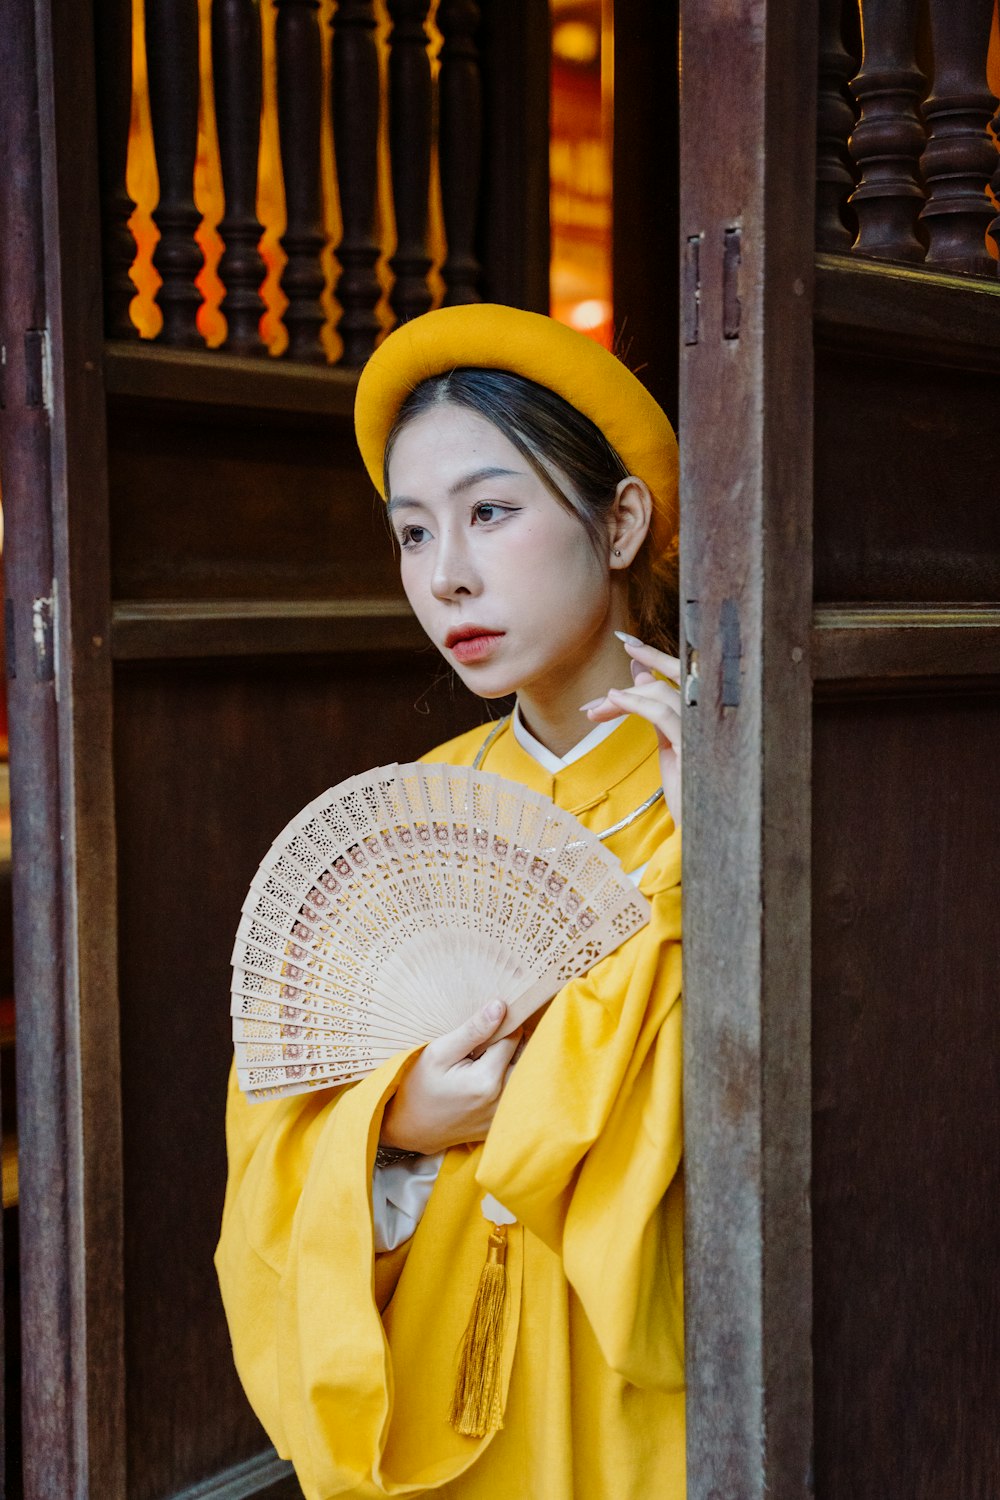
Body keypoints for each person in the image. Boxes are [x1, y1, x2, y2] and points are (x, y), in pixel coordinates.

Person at [215, 304, 685, 1498]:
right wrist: (391, 1117)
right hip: (437, 1380)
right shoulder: (417, 810)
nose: (447, 576)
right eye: (412, 533)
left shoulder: (734, 798)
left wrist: (716, 860)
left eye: (490, 512)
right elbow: (270, 1130)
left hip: (638, 1395)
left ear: (619, 520)